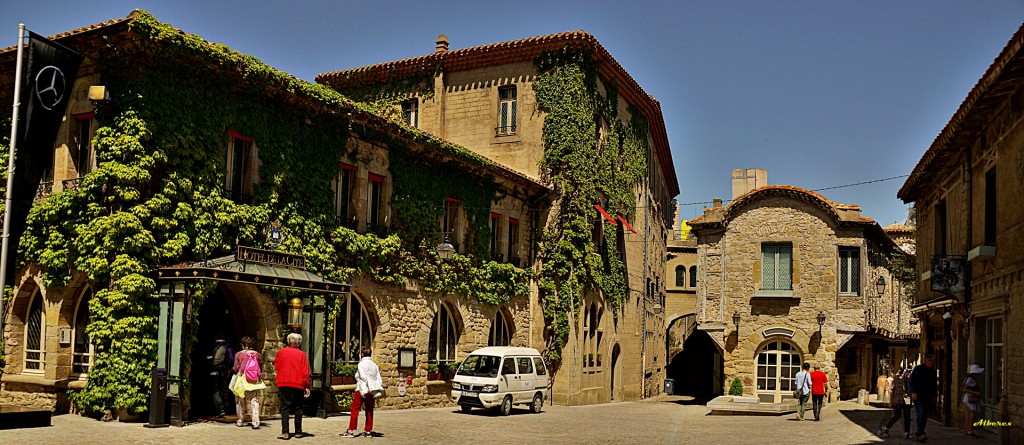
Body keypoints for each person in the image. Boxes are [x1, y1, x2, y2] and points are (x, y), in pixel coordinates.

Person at [274, 333, 312, 440]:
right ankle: (298, 432)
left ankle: (285, 432)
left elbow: (276, 365)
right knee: (298, 407)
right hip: (298, 383)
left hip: (284, 381)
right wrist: (307, 385)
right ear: (299, 343)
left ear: (288, 341)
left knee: (285, 407)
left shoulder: (281, 352)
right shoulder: (302, 354)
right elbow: (306, 371)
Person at [341, 347, 383, 438]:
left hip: (361, 389)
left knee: (355, 409)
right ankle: (368, 430)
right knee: (369, 410)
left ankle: (351, 430)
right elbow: (378, 378)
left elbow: (362, 376)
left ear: (362, 354)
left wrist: (365, 381)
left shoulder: (361, 364)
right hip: (371, 390)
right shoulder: (375, 365)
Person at [232, 336, 266, 429]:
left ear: (242, 345)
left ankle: (240, 420)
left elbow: (235, 368)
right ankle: (256, 422)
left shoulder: (239, 354)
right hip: (255, 381)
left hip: (243, 380)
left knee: (240, 401)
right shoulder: (258, 355)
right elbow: (262, 368)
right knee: (254, 401)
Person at [909, 354, 939, 442]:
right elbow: (911, 381)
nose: (932, 363)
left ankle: (920, 432)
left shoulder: (933, 371)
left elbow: (934, 385)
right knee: (920, 414)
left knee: (925, 415)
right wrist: (913, 392)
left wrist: (935, 396)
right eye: (931, 361)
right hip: (918, 396)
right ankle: (920, 432)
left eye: (933, 362)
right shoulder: (918, 369)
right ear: (926, 361)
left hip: (928, 397)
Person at [879, 368, 913, 439]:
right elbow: (892, 391)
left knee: (907, 416)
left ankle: (907, 432)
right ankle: (885, 427)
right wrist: (891, 402)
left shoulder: (909, 381)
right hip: (897, 400)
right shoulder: (896, 380)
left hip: (906, 400)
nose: (905, 374)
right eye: (904, 373)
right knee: (897, 415)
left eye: (906, 373)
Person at [209, 331, 234, 418]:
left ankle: (219, 410)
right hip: (224, 370)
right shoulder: (227, 346)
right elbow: (231, 359)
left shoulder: (211, 346)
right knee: (224, 389)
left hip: (213, 370)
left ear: (215, 337)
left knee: (215, 390)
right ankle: (225, 409)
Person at [960, 364, 984, 438]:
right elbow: (964, 389)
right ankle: (970, 431)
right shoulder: (970, 379)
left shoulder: (970, 378)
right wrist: (975, 393)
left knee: (971, 414)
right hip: (970, 399)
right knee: (972, 414)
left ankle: (968, 430)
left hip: (970, 398)